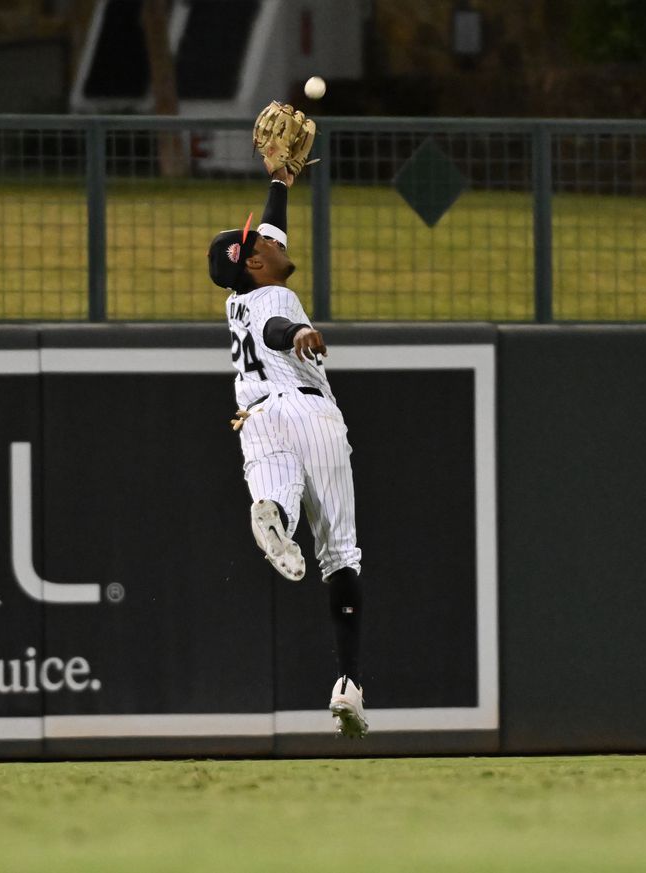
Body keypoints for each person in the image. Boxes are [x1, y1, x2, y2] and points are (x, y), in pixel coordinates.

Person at [206, 162, 367, 739]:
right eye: (263, 242)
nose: (274, 240)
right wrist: (297, 334)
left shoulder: (237, 301)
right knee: (340, 553)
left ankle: (275, 515)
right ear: (255, 263)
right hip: (305, 408)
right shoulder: (277, 296)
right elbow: (278, 327)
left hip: (253, 415)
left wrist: (281, 182)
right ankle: (348, 684)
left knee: (276, 495)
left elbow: (268, 240)